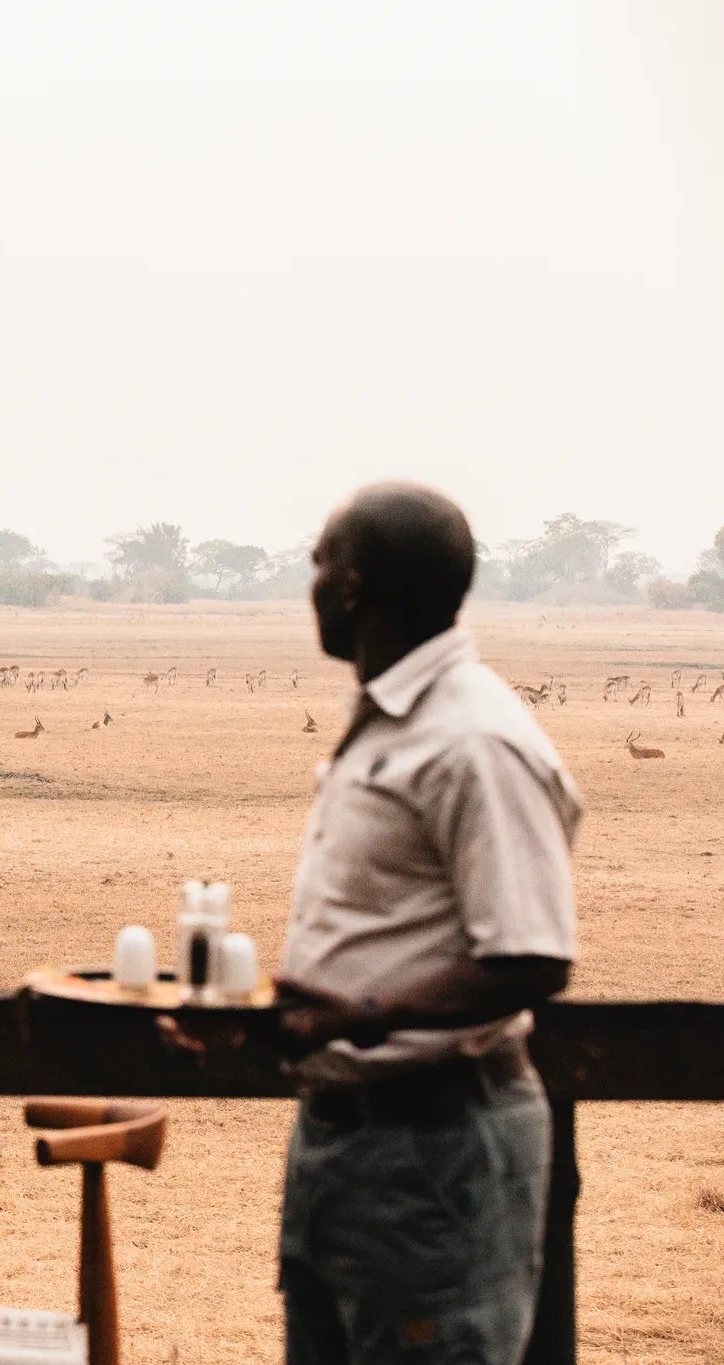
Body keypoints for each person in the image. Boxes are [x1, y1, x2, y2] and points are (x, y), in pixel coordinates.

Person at [275, 482, 581, 1365]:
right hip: (346, 1141)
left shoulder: (473, 739)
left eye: (320, 561)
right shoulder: (393, 722)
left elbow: (531, 957)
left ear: (353, 587)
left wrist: (361, 1016)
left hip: (436, 1147)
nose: (313, 583)